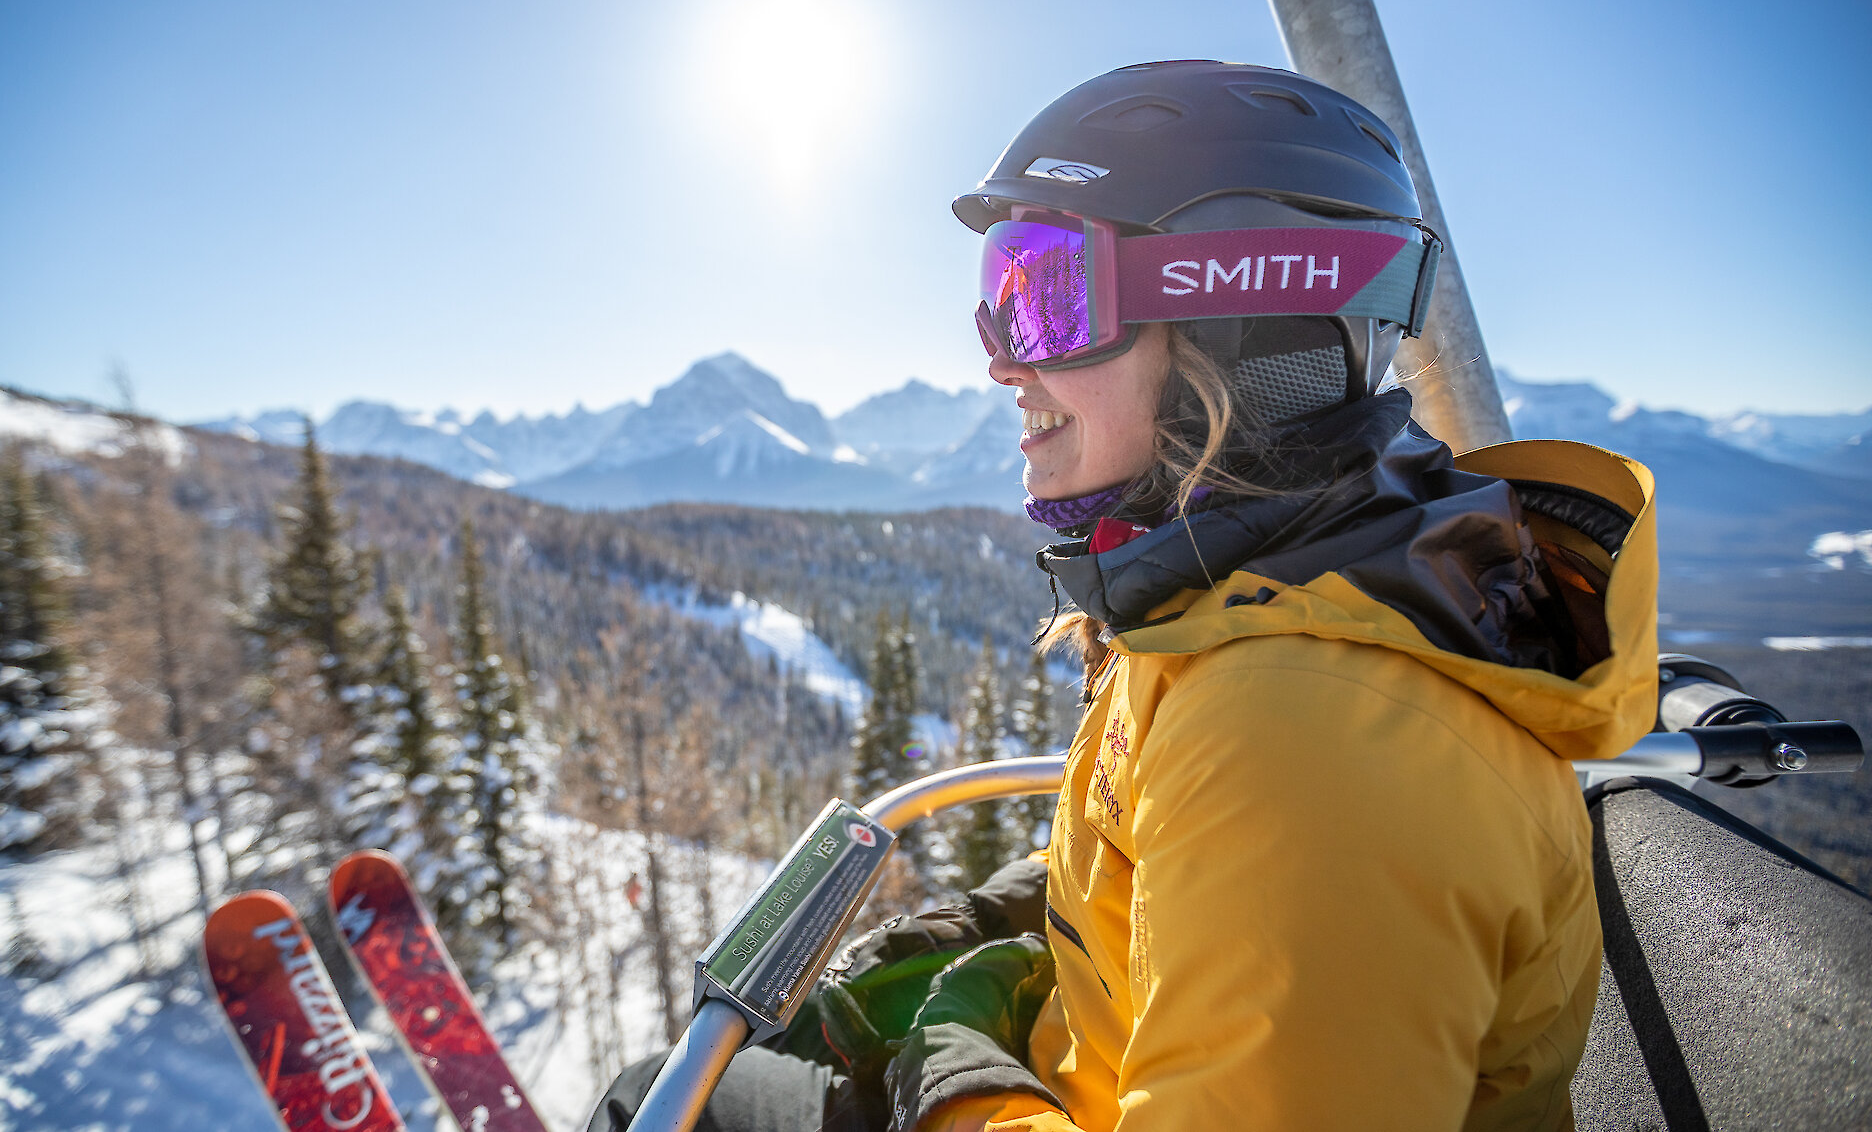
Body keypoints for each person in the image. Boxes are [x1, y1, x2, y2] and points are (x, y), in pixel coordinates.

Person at [588, 60, 1658, 1132]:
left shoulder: (1309, 738)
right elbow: (1159, 850)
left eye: (1047, 296)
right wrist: (997, 917)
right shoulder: (1252, 588)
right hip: (1081, 1075)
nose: (1002, 362)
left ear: (1243, 322)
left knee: (671, 1105)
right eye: (1001, 293)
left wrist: (955, 1087)